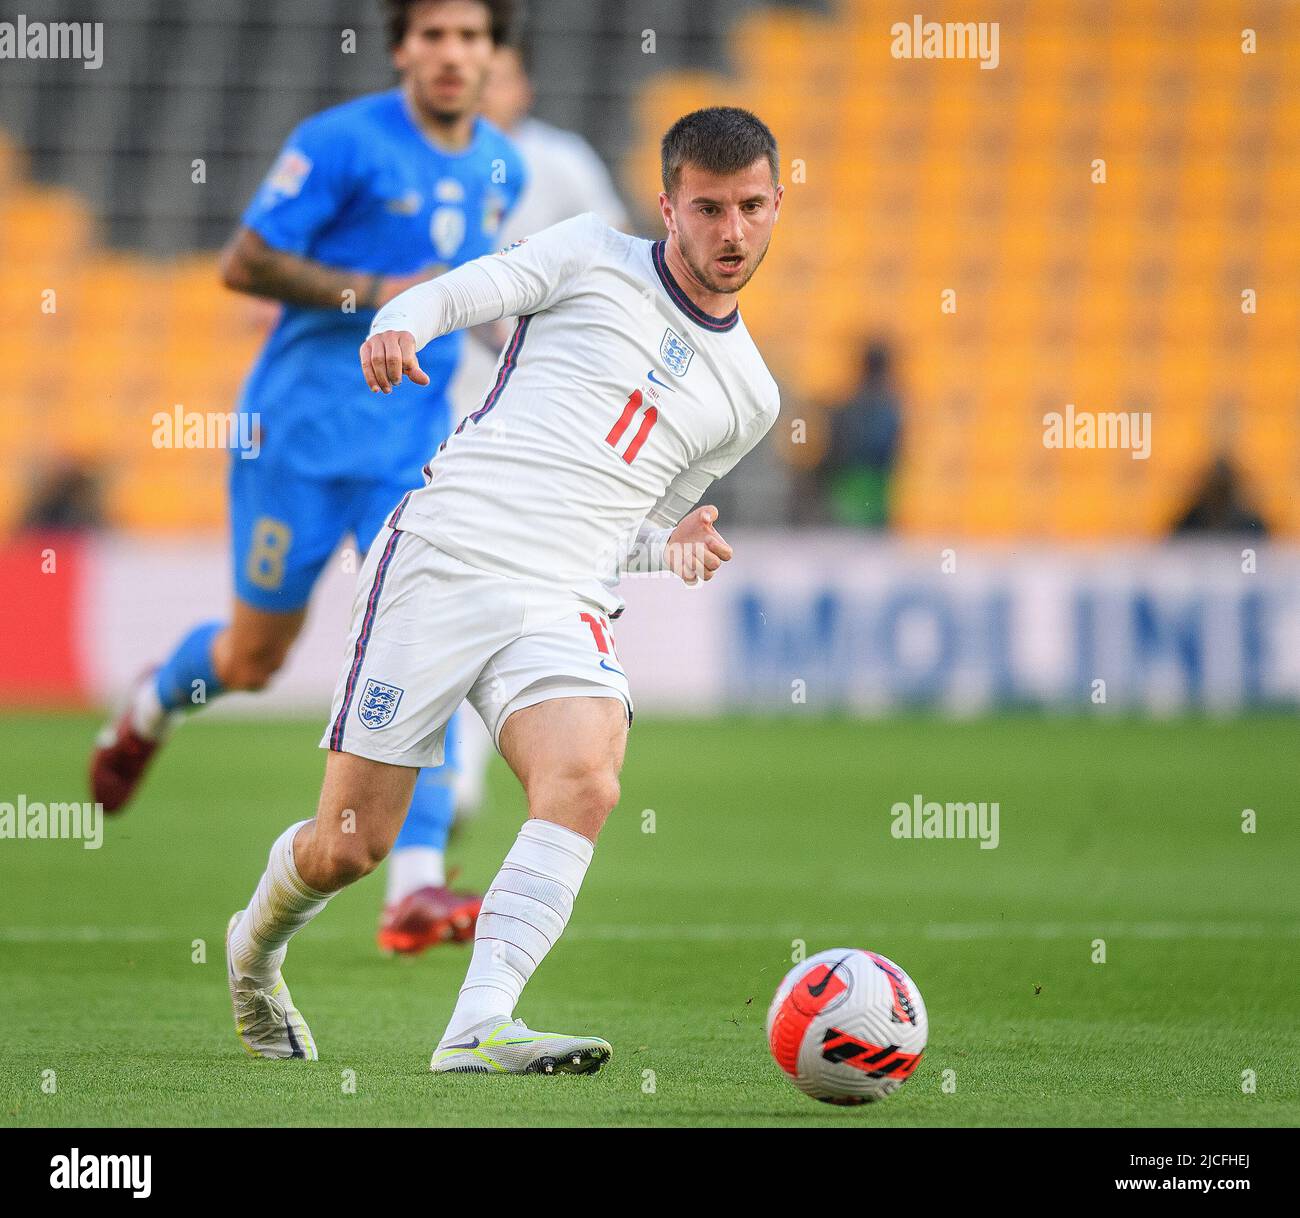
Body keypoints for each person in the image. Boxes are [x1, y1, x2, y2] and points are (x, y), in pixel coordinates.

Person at [222, 106, 783, 1073]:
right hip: (446, 555)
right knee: (349, 847)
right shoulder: (588, 254)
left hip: (561, 596)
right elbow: (459, 293)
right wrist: (398, 323)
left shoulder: (751, 397)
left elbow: (621, 529)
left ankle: (478, 1024)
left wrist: (672, 548)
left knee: (586, 779)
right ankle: (253, 952)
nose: (731, 232)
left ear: (779, 203)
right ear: (667, 205)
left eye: (752, 207)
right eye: (708, 208)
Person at [89, 0, 525, 955]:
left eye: (472, 37)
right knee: (255, 659)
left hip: (407, 449)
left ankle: (414, 887)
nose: (453, 53)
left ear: (495, 53)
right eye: (436, 34)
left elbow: (469, 290)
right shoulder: (339, 142)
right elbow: (241, 263)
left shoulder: (505, 165)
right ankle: (153, 702)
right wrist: (366, 294)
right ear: (404, 46)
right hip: (294, 437)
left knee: (431, 627)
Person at [443, 42, 630, 822]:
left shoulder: (560, 160)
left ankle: (475, 776)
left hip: (544, 411)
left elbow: (616, 261)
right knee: (457, 587)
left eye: (502, 74)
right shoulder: (442, 165)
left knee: (511, 592)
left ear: (524, 82)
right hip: (450, 398)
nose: (490, 89)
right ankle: (449, 783)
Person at [820, 341, 902, 527]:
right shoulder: (890, 406)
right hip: (875, 487)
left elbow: (836, 449)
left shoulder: (848, 404)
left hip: (849, 485)